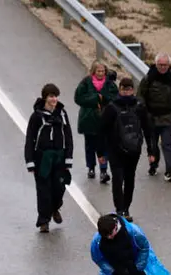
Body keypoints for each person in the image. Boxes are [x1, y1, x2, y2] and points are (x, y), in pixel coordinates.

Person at [97, 76, 156, 221]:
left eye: (129, 89)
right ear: (120, 90)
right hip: (115, 150)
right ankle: (120, 209)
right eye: (124, 89)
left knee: (130, 179)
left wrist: (151, 150)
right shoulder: (111, 108)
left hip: (133, 150)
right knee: (118, 179)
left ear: (133, 90)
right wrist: (101, 152)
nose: (126, 92)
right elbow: (101, 130)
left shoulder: (139, 107)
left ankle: (126, 208)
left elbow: (147, 129)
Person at [24, 83, 75, 234]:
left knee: (59, 187)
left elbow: (68, 136)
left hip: (59, 158)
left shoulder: (62, 114)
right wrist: (30, 161)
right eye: (51, 96)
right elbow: (30, 139)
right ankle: (43, 221)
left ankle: (55, 208)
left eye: (56, 96)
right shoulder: (36, 116)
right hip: (42, 159)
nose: (54, 99)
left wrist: (68, 157)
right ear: (45, 98)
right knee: (43, 191)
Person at [137, 53, 171, 182]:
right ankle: (153, 165)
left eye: (165, 65)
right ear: (156, 64)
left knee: (168, 144)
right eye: (160, 64)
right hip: (151, 118)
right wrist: (143, 110)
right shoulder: (148, 78)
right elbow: (140, 95)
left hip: (168, 118)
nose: (162, 67)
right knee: (153, 145)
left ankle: (170, 171)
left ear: (169, 65)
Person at [74, 62, 118, 185]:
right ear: (93, 71)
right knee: (90, 146)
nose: (100, 73)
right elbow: (78, 98)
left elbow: (115, 98)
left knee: (103, 146)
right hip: (88, 120)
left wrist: (104, 99)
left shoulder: (110, 84)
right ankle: (91, 168)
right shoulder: (85, 83)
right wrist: (94, 99)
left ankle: (103, 170)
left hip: (104, 120)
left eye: (102, 71)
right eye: (98, 71)